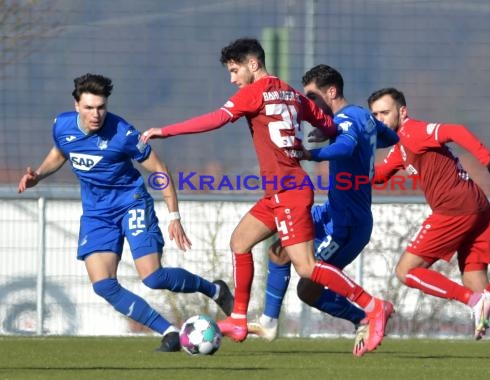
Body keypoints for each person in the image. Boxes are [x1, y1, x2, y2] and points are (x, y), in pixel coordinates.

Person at [141, 38, 392, 357]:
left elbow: (217, 119)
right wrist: (310, 139)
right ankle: (238, 319)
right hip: (279, 190)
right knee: (240, 242)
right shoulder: (293, 94)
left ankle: (374, 306)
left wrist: (167, 131)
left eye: (234, 71)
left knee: (306, 268)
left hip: (289, 191)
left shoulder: (253, 93)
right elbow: (328, 124)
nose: (233, 79)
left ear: (253, 64)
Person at [18, 73, 234, 352]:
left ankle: (214, 289)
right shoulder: (61, 125)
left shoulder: (123, 133)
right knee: (104, 285)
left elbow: (160, 169)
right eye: (89, 108)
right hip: (97, 214)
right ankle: (169, 332)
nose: (96, 114)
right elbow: (60, 153)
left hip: (131, 203)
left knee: (153, 277)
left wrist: (174, 216)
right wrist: (38, 175)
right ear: (76, 106)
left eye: (101, 107)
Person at [368, 87, 490, 358]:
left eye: (385, 112)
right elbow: (378, 175)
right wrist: (345, 161)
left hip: (456, 208)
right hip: (477, 207)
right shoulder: (400, 146)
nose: (379, 119)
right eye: (375, 115)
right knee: (476, 281)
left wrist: (489, 162)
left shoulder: (414, 131)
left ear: (402, 111)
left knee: (407, 271)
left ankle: (473, 301)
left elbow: (456, 131)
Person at [247, 64, 399, 354]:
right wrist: (361, 140)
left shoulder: (346, 119)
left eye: (312, 97)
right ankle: (269, 322)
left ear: (331, 92)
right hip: (332, 210)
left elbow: (343, 149)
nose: (309, 105)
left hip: (347, 223)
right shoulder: (361, 117)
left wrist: (310, 153)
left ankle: (367, 314)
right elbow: (391, 138)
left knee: (308, 284)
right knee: (278, 252)